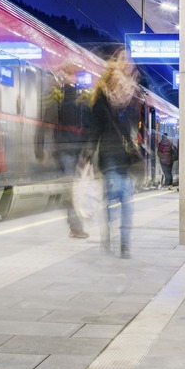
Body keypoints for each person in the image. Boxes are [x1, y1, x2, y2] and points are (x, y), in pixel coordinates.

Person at [84, 50, 142, 259]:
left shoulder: (132, 92)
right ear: (116, 62)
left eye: (130, 60)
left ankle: (123, 243)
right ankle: (109, 237)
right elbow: (96, 125)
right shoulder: (103, 92)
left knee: (125, 201)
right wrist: (89, 149)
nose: (129, 63)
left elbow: (134, 127)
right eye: (124, 59)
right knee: (114, 198)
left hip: (126, 155)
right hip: (109, 152)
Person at [36, 62, 90, 238]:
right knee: (72, 188)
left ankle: (75, 223)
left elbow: (86, 123)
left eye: (72, 73)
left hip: (77, 150)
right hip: (64, 149)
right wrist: (39, 147)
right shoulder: (54, 95)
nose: (69, 76)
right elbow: (45, 121)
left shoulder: (81, 96)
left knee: (73, 188)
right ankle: (76, 226)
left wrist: (88, 149)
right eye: (66, 73)